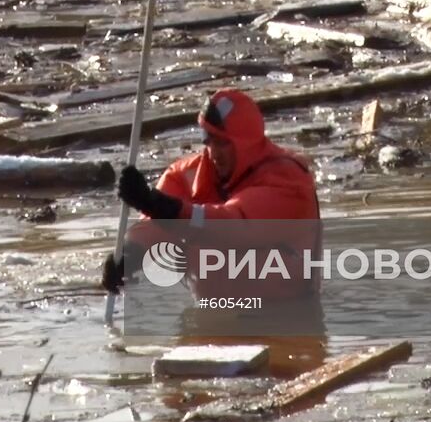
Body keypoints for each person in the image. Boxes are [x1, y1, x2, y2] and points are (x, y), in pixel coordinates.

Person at [100, 87, 321, 299]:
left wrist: (159, 206)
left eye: (223, 143)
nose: (215, 153)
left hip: (283, 316)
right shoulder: (186, 175)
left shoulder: (289, 180)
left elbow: (235, 226)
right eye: (209, 140)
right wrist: (131, 252)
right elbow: (156, 225)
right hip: (211, 313)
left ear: (246, 143)